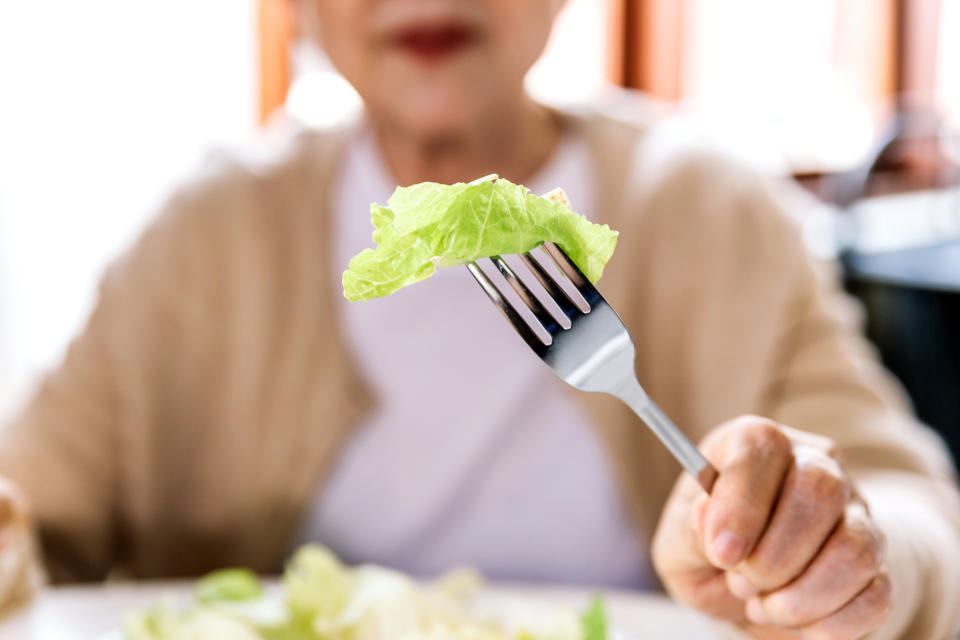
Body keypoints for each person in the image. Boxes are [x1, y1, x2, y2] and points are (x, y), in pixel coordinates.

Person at [1, 1, 958, 638]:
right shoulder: (206, 234)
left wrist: (851, 556)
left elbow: (918, 520)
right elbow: (29, 515)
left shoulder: (709, 210)